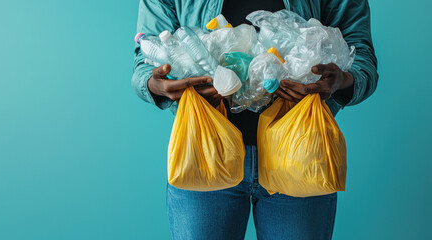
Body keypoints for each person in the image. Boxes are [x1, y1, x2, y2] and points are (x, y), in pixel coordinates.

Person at [132, 0, 378, 239]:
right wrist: (155, 84)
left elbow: (360, 53)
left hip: (300, 148)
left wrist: (341, 80)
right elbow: (145, 62)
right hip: (205, 148)